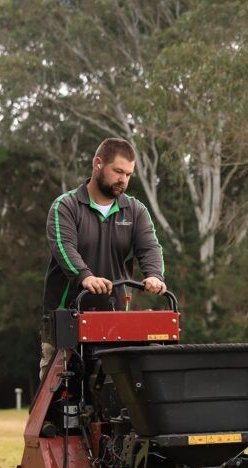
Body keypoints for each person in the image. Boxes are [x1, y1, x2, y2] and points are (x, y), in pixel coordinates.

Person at [40, 138, 168, 377]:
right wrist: (85, 276)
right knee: (56, 396)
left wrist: (154, 275)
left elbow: (150, 247)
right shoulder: (66, 206)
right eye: (118, 171)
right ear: (97, 164)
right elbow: (63, 246)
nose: (123, 180)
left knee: (118, 394)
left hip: (116, 322)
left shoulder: (136, 210)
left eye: (128, 174)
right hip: (66, 320)